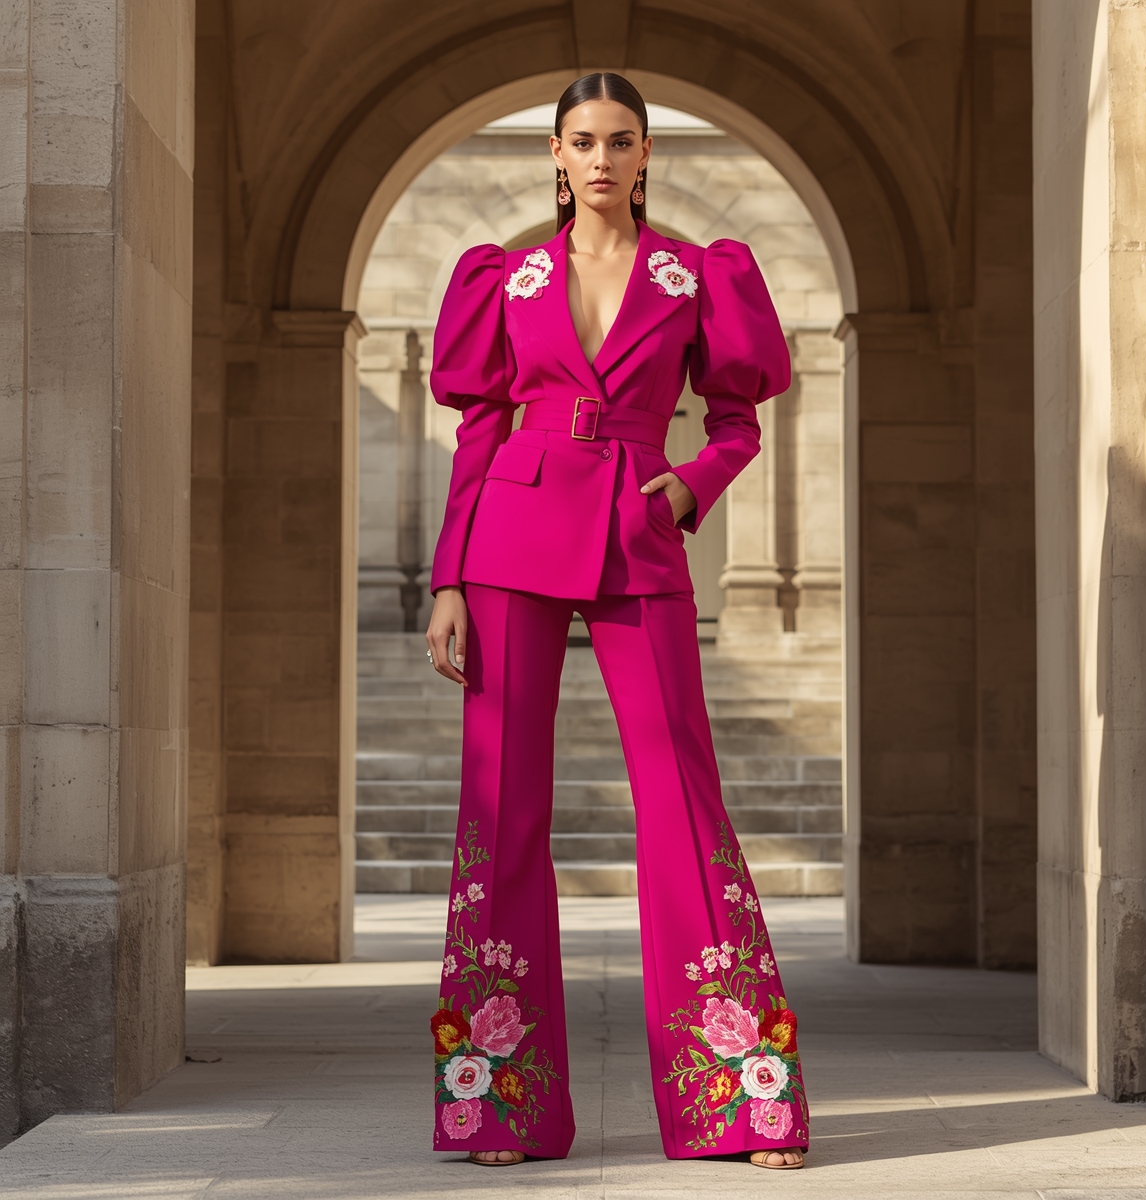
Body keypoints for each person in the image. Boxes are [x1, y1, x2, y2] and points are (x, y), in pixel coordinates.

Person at [425, 72, 808, 1170]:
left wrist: (691, 485)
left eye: (621, 141)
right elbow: (480, 428)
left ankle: (743, 1098)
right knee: (502, 812)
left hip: (640, 535)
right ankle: (497, 1102)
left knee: (684, 800)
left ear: (647, 156)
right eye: (582, 141)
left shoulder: (699, 274)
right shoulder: (506, 279)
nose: (601, 159)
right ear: (553, 154)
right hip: (510, 539)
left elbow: (736, 419)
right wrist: (450, 577)